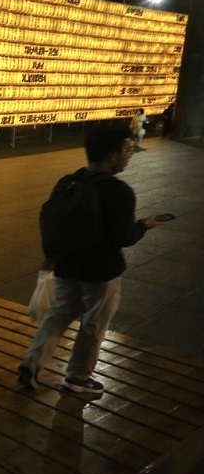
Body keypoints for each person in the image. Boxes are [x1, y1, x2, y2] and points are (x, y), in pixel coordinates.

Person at [18, 126, 169, 394]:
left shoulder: (68, 181)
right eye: (126, 150)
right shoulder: (118, 191)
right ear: (112, 155)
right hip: (100, 273)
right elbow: (123, 237)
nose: (129, 155)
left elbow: (53, 221)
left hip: (65, 266)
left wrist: (51, 255)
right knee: (93, 325)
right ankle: (77, 378)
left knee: (58, 315)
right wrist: (144, 225)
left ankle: (32, 363)